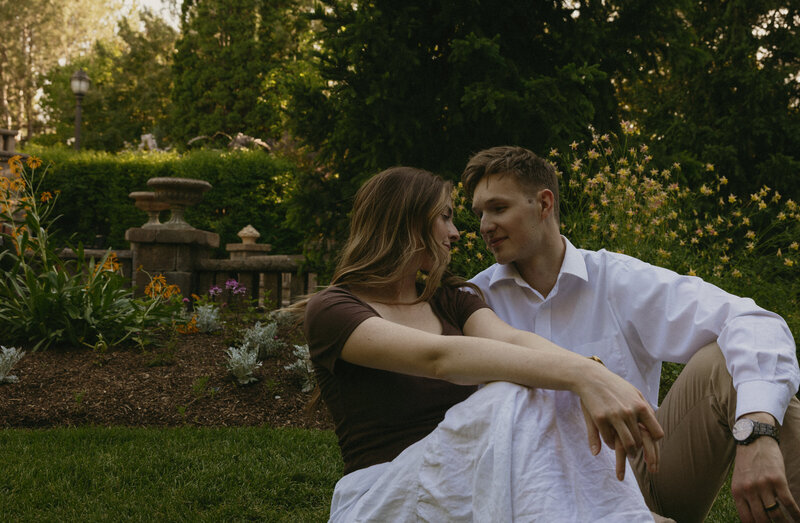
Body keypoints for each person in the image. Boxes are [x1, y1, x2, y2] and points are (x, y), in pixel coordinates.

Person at [300, 166, 665, 521]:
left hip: (465, 487)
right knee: (512, 393)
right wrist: (583, 373)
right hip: (382, 498)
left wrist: (593, 375)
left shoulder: (451, 299)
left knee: (545, 386)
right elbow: (437, 358)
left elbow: (514, 340)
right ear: (406, 220)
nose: (456, 232)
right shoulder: (334, 309)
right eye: (444, 217)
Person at [462, 145, 800, 523]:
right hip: (532, 492)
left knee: (732, 366)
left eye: (498, 208)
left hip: (637, 473)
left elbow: (753, 321)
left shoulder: (617, 279)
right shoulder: (475, 302)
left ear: (543, 204)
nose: (483, 226)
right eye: (479, 213)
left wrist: (756, 432)